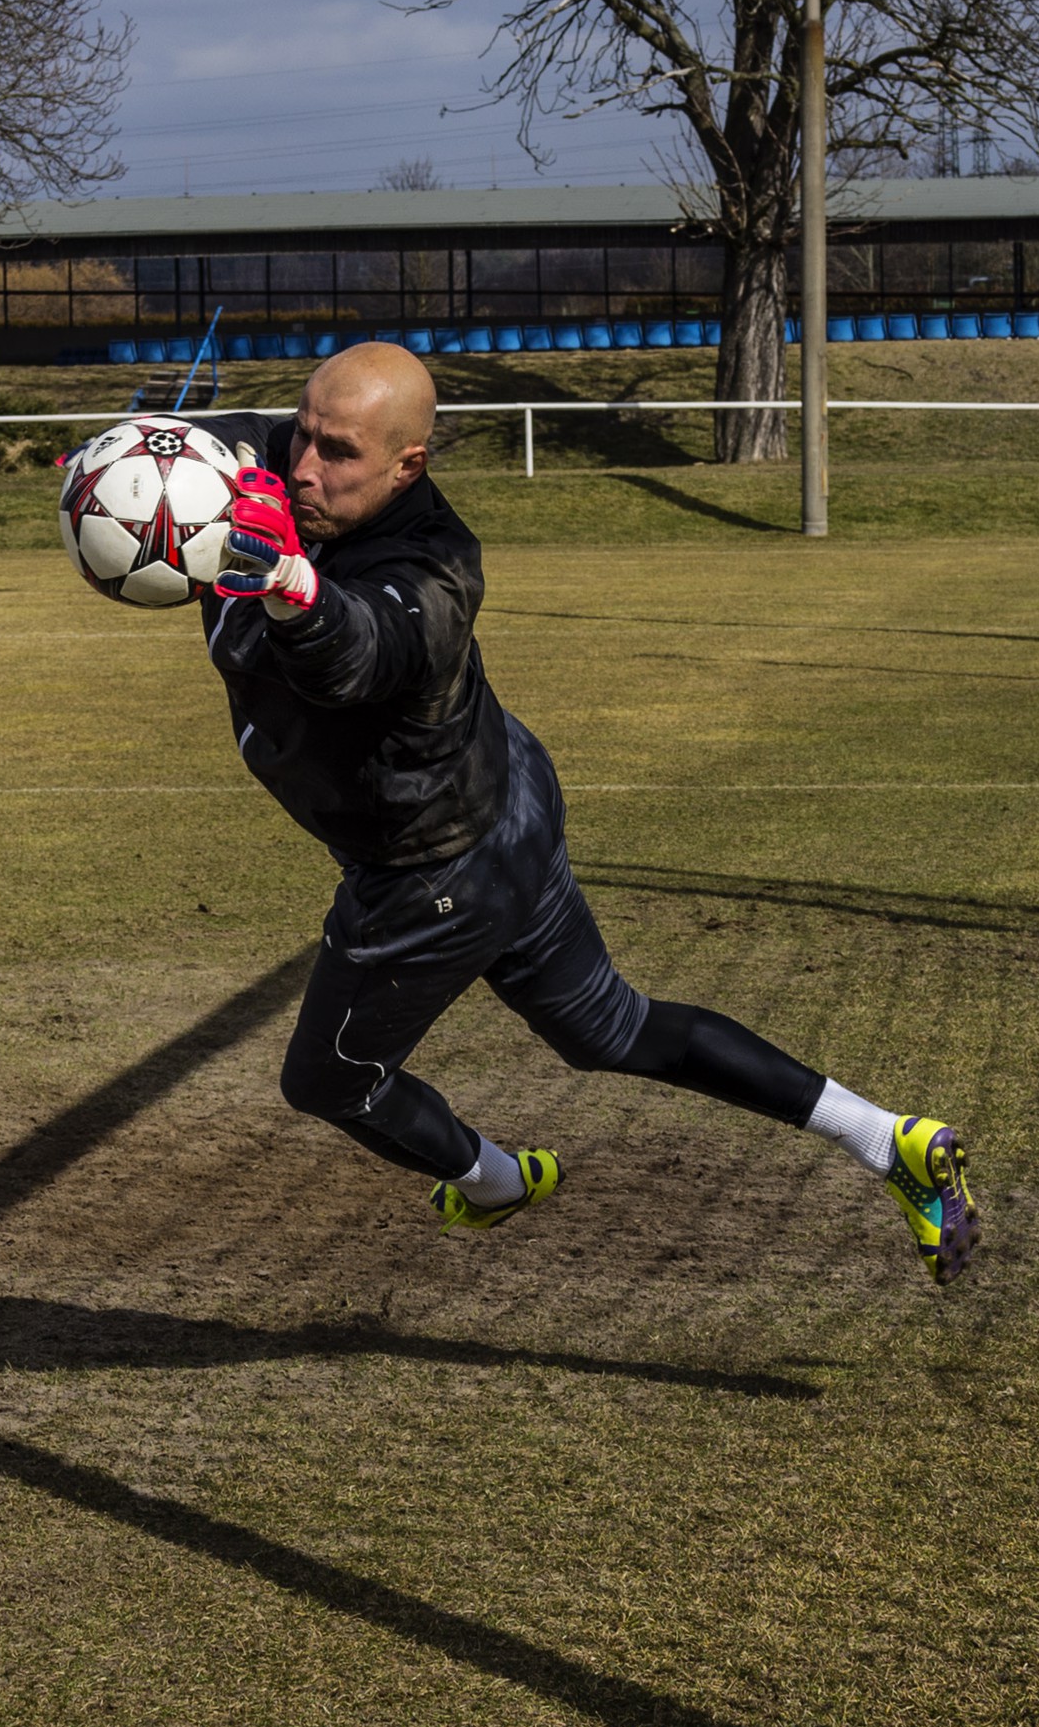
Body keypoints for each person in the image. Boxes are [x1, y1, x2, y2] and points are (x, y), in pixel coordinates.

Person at [195, 340, 979, 1279]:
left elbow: (355, 654)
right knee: (613, 1029)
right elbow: (219, 440)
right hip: (505, 800)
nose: (304, 468)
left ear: (409, 465)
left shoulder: (436, 568)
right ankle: (887, 1138)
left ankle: (494, 1181)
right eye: (304, 435)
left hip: (434, 871)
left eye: (339, 453)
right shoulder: (286, 459)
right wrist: (127, 468)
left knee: (329, 1079)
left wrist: (292, 586)